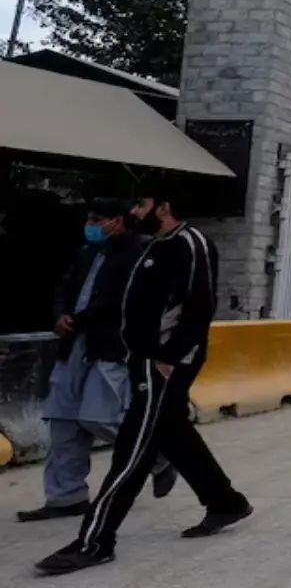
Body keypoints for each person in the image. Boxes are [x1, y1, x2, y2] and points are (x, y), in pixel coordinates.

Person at [38, 196, 253, 576]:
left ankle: (95, 542)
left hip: (164, 364)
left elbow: (201, 306)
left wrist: (170, 356)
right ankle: (225, 502)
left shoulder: (191, 243)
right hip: (142, 359)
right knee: (172, 433)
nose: (134, 213)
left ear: (165, 206)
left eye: (141, 205)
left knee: (131, 452)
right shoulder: (154, 247)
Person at [16, 200, 175, 524]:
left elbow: (121, 300)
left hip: (109, 346)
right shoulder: (87, 252)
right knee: (62, 421)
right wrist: (59, 316)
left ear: (117, 221)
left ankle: (159, 452)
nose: (89, 225)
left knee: (98, 418)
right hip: (74, 344)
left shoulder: (138, 254)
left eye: (96, 219)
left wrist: (81, 318)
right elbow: (63, 287)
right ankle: (66, 496)